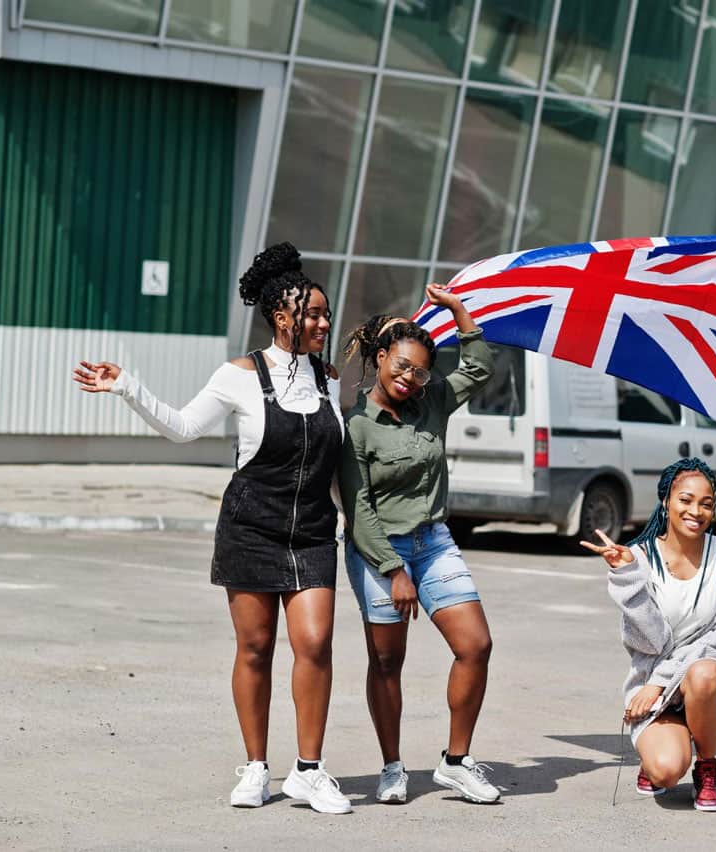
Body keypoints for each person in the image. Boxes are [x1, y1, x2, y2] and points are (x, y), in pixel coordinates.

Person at [72, 243, 352, 814]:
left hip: (312, 532)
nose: (325, 323)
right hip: (250, 528)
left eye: (326, 314)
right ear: (282, 317)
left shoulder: (328, 380)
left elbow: (339, 463)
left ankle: (308, 771)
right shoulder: (238, 375)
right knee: (255, 647)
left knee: (315, 644)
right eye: (314, 314)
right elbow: (183, 427)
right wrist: (127, 386)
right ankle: (256, 767)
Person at [337, 294, 499, 805]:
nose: (410, 378)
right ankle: (392, 767)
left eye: (421, 372)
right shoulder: (356, 425)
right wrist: (393, 570)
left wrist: (458, 311)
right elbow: (358, 508)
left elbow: (479, 367)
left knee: (475, 646)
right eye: (402, 366)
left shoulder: (433, 401)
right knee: (388, 661)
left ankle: (456, 762)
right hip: (378, 549)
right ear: (382, 357)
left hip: (433, 541)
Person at [582, 458, 716, 813]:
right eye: (685, 500)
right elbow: (650, 643)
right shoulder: (639, 557)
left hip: (711, 677)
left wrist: (660, 681)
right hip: (654, 688)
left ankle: (706, 767)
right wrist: (627, 577)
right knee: (668, 771)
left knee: (705, 672)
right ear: (666, 501)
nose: (696, 511)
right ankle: (661, 751)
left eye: (706, 504)